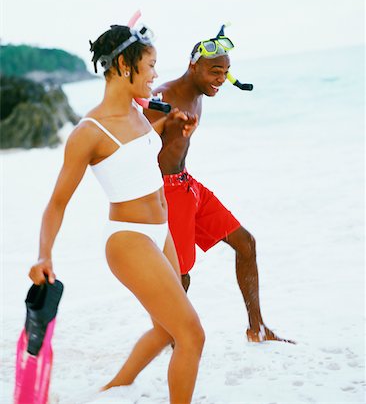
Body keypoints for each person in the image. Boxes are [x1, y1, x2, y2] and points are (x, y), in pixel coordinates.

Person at [28, 22, 205, 403]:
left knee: (166, 329)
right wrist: (44, 254)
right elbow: (56, 202)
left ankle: (113, 389)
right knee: (192, 333)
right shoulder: (88, 132)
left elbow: (136, 158)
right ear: (125, 66)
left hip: (162, 232)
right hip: (130, 239)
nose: (156, 74)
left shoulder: (140, 113)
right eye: (151, 65)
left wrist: (169, 125)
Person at [144, 29, 293, 343]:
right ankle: (172, 341)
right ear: (194, 66)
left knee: (246, 244)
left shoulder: (200, 94)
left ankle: (258, 329)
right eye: (215, 71)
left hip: (189, 186)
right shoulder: (163, 97)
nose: (222, 78)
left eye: (226, 72)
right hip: (166, 192)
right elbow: (134, 149)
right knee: (180, 274)